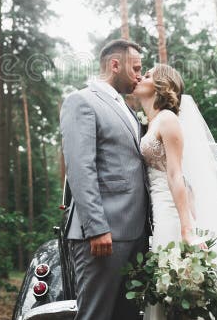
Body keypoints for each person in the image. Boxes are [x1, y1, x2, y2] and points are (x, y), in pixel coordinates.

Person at [134, 64, 217, 320]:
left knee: (177, 289)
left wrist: (186, 229)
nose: (141, 76)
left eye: (148, 75)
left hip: (172, 214)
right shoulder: (151, 122)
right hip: (158, 212)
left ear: (162, 85)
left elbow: (176, 175)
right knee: (167, 293)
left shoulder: (168, 119)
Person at [60, 39, 150, 320]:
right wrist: (96, 227)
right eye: (135, 68)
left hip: (135, 234)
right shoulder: (82, 101)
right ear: (115, 65)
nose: (139, 75)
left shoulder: (127, 109)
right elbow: (79, 168)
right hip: (103, 235)